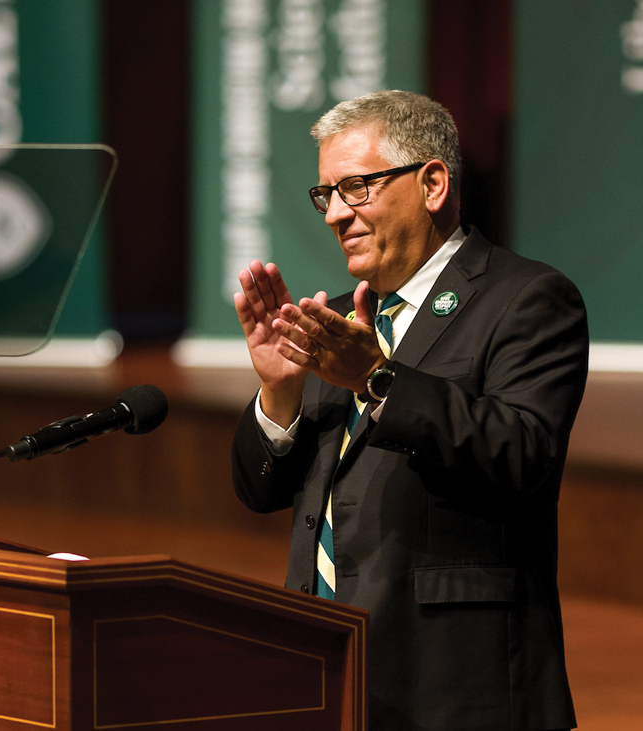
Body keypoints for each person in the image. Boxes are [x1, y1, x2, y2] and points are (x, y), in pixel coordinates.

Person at [231, 90, 587, 731]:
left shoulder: (527, 299)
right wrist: (279, 392)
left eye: (357, 188)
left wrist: (376, 377)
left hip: (455, 682)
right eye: (327, 195)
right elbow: (263, 492)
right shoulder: (337, 318)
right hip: (325, 666)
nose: (337, 213)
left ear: (432, 184)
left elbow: (522, 453)